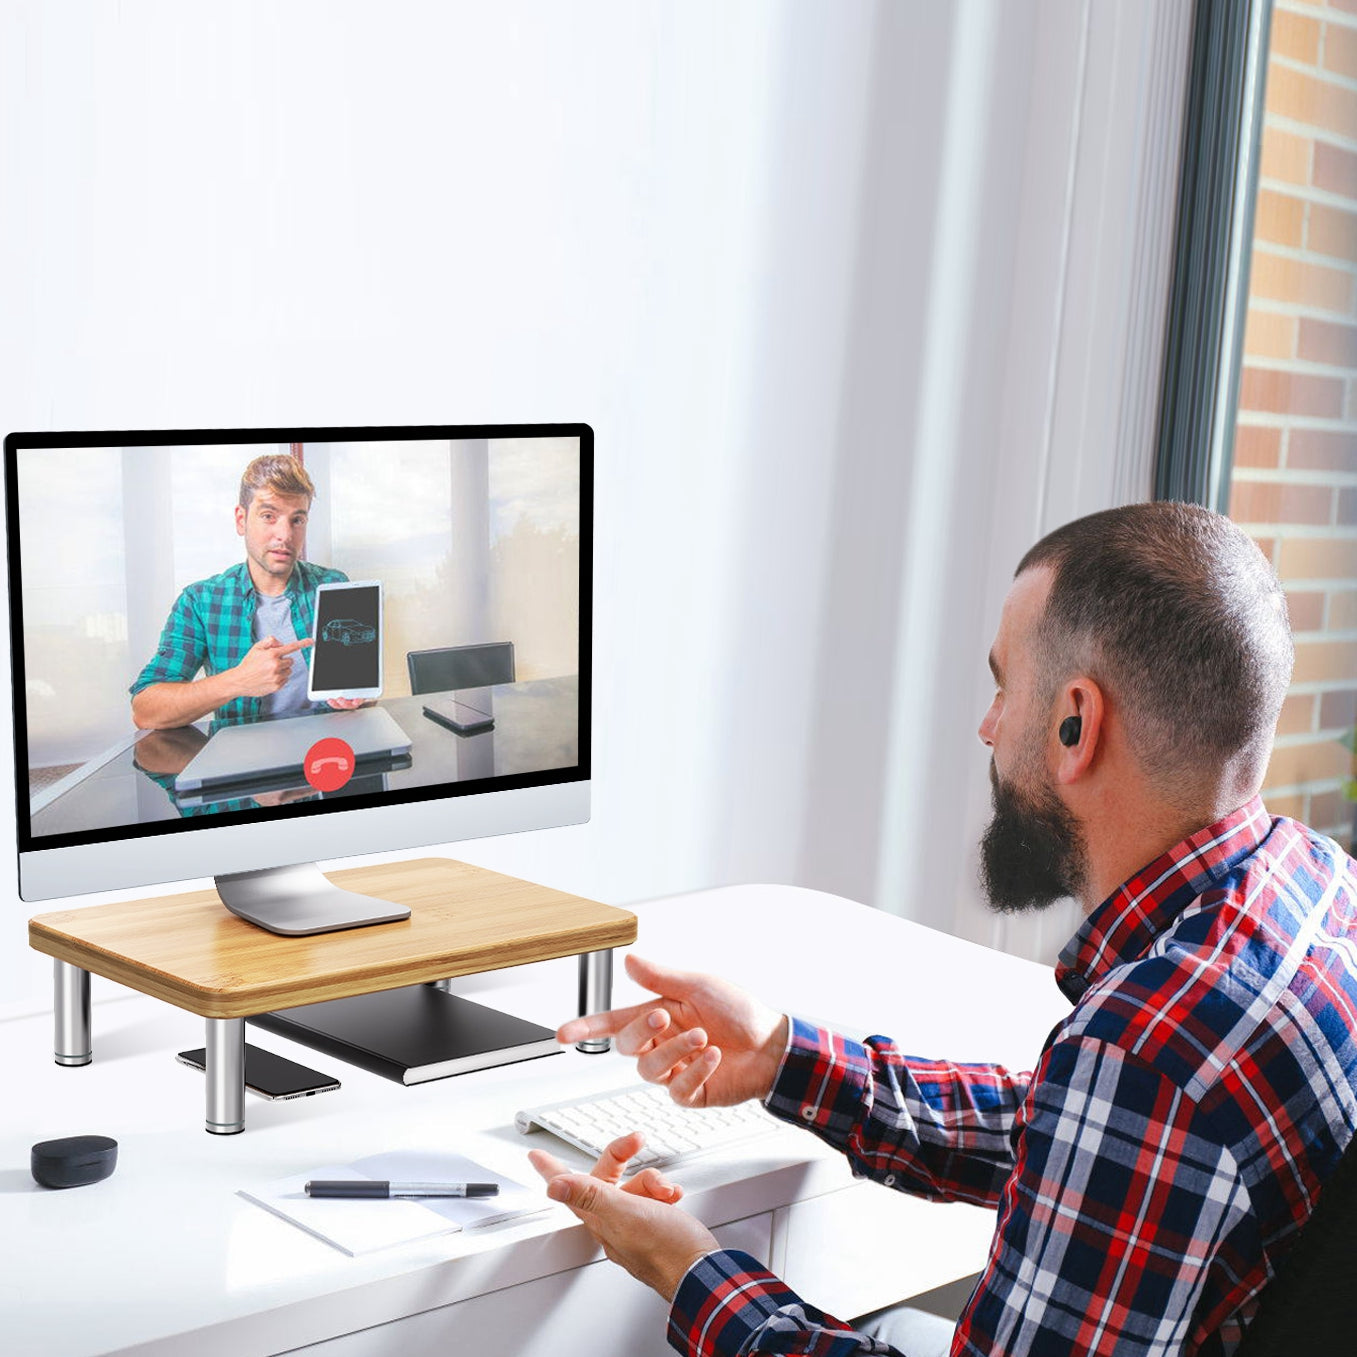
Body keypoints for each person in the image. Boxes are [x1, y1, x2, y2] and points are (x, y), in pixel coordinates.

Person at [528, 502, 1357, 1357]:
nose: (988, 726)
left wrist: (689, 1269)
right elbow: (1090, 1147)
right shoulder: (1311, 888)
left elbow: (1124, 1106)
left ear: (1077, 722)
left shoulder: (1149, 1045)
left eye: (1004, 687)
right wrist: (782, 1054)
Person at [129, 454, 362, 729]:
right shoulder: (200, 602)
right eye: (268, 516)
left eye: (296, 520)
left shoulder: (334, 585)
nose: (285, 535)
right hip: (242, 761)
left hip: (324, 755)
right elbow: (145, 711)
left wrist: (359, 695)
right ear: (241, 520)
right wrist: (238, 680)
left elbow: (356, 692)